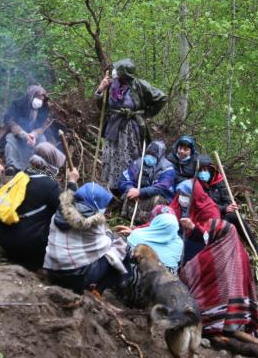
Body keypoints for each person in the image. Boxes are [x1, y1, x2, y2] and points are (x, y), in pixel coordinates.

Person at [0, 142, 79, 269]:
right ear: (50, 165)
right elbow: (68, 212)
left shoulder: (21, 174)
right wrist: (72, 182)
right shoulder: (49, 186)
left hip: (2, 235)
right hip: (23, 245)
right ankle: (31, 262)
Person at [180, 219, 258, 338]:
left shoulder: (211, 255)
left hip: (214, 319)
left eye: (210, 232)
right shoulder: (242, 254)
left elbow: (186, 273)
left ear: (218, 234)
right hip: (240, 318)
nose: (208, 235)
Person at [43, 182, 129, 293]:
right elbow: (105, 245)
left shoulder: (59, 212)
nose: (105, 209)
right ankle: (99, 291)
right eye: (103, 205)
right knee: (118, 250)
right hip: (75, 278)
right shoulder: (93, 223)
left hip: (52, 271)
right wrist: (110, 234)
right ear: (96, 203)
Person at [95, 59, 167, 188]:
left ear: (124, 73)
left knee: (129, 157)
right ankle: (113, 186)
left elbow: (161, 97)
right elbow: (101, 107)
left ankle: (129, 185)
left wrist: (145, 113)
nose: (114, 72)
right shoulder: (111, 85)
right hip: (113, 126)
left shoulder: (139, 85)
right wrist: (101, 89)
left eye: (117, 70)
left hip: (130, 129)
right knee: (112, 155)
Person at [195, 154, 258, 259]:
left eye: (205, 169)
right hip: (205, 219)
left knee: (235, 217)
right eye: (200, 170)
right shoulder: (196, 185)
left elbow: (227, 200)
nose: (203, 173)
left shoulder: (218, 181)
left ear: (210, 169)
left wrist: (229, 207)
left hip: (222, 215)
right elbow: (203, 206)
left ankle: (256, 248)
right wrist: (223, 208)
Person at [116, 139, 176, 221]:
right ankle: (127, 217)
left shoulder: (167, 168)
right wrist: (130, 189)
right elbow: (124, 179)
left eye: (153, 155)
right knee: (128, 193)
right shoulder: (138, 163)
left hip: (154, 196)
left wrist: (140, 192)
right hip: (137, 194)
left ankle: (150, 222)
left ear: (160, 155)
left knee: (157, 200)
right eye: (148, 154)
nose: (150, 157)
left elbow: (161, 188)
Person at [2, 85, 50, 175]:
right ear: (32, 95)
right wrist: (23, 134)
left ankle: (39, 165)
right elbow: (10, 121)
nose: (40, 101)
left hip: (34, 138)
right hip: (18, 135)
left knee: (43, 140)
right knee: (10, 138)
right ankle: (12, 165)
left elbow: (44, 126)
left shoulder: (44, 108)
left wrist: (34, 134)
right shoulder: (18, 104)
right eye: (38, 98)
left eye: (42, 99)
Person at [170, 179, 221, 263]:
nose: (182, 197)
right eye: (180, 194)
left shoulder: (209, 209)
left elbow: (212, 234)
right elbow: (168, 214)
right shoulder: (177, 202)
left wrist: (194, 227)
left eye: (185, 195)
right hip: (177, 236)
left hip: (198, 242)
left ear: (195, 195)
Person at [125, 205, 183, 273]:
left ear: (155, 220)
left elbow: (126, 257)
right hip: (167, 280)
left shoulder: (137, 234)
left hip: (138, 277)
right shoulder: (179, 243)